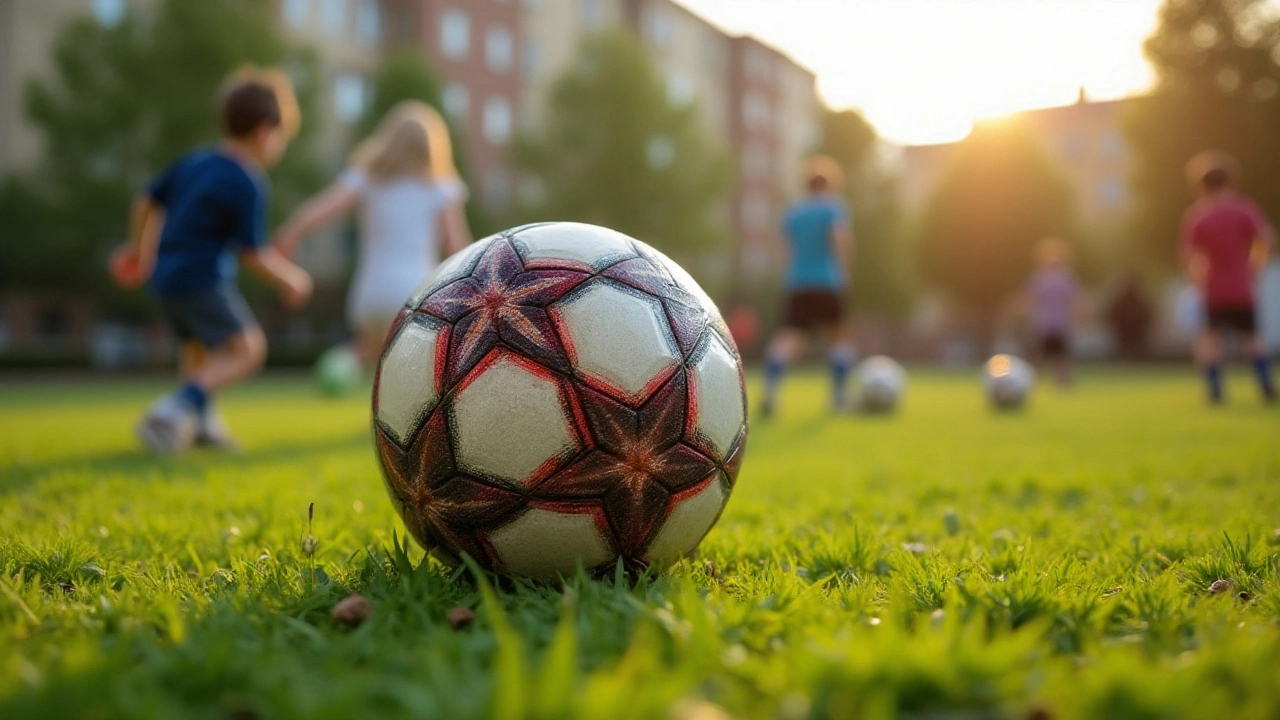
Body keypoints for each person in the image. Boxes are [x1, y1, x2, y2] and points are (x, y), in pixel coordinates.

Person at [110, 67, 313, 454]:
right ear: (265, 131)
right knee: (248, 350)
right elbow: (253, 254)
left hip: (166, 278)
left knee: (198, 353)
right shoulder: (247, 179)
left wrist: (140, 252)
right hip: (200, 278)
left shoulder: (195, 162)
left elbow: (145, 200)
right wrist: (292, 280)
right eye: (282, 137)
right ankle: (171, 412)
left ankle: (203, 427)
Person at [273, 101, 471, 366]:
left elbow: (323, 207)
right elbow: (458, 248)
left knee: (370, 351)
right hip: (416, 292)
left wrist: (291, 233)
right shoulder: (441, 188)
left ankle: (338, 366)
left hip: (370, 294)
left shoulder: (367, 178)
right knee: (416, 365)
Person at [760, 156, 856, 416]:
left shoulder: (794, 213)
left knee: (788, 339)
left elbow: (784, 248)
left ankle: (770, 393)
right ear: (829, 185)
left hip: (798, 284)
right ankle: (838, 398)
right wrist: (846, 265)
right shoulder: (833, 208)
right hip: (828, 282)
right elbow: (838, 239)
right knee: (839, 338)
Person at [1179, 150, 1276, 404]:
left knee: (1210, 340)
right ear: (1230, 181)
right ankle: (1266, 387)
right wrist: (1255, 265)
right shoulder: (1244, 209)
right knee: (1253, 337)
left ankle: (1215, 392)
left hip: (1213, 289)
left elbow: (1191, 257)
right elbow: (1264, 240)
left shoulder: (1197, 216)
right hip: (1242, 286)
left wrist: (1198, 280)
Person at [1024, 237, 1078, 387]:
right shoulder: (1066, 278)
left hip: (1045, 325)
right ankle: (1063, 384)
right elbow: (1074, 302)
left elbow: (1030, 299)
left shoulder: (1040, 278)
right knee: (1059, 356)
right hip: (1057, 325)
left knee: (1041, 356)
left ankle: (1030, 383)